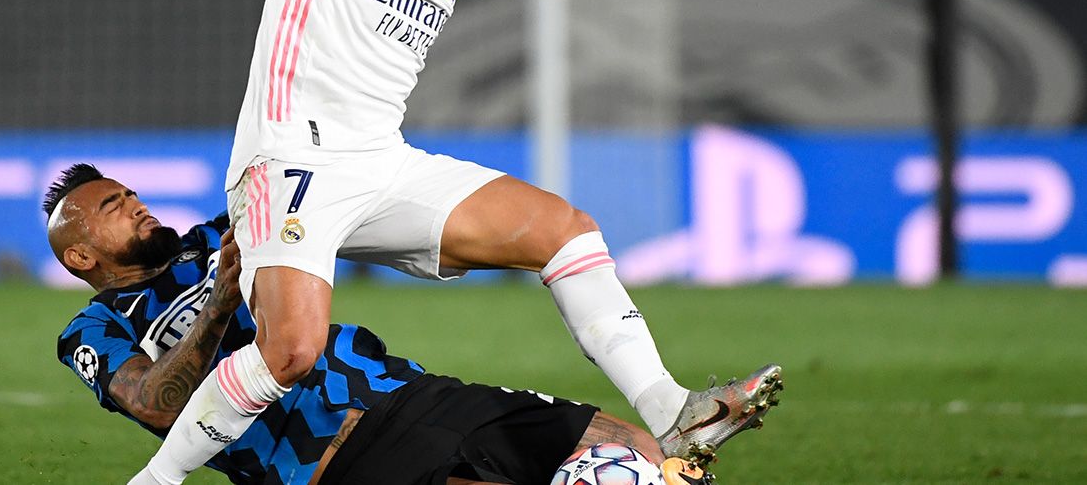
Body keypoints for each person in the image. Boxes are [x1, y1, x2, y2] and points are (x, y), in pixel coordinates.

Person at [130, 0, 781, 481]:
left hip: (382, 161)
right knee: (290, 350)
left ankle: (671, 408)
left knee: (565, 231)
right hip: (292, 158)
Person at [48, 163, 717, 485]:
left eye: (130, 192)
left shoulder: (221, 232)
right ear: (82, 254)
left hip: (412, 392)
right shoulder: (96, 329)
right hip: (336, 460)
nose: (135, 204)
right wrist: (223, 299)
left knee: (646, 455)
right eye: (113, 205)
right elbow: (156, 405)